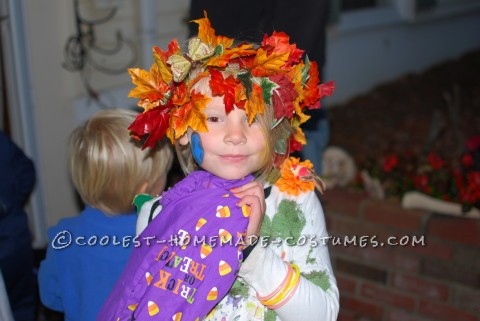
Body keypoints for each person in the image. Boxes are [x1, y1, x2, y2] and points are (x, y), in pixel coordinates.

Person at [98, 13, 338, 321]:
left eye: (251, 119)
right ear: (184, 130)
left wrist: (251, 253)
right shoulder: (158, 214)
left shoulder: (294, 202)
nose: (236, 136)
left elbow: (324, 315)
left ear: (273, 130)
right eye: (214, 119)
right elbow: (142, 301)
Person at [38, 109, 174, 321]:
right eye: (163, 174)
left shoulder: (62, 236)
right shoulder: (161, 236)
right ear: (143, 190)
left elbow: (50, 296)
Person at [188, 0, 332, 173]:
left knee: (293, 178)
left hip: (282, 83)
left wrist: (282, 79)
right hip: (217, 73)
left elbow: (303, 19)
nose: (236, 136)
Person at [0, 129, 36, 321]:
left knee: (20, 302)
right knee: (22, 304)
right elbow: (26, 170)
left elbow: (26, 170)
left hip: (12, 238)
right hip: (15, 233)